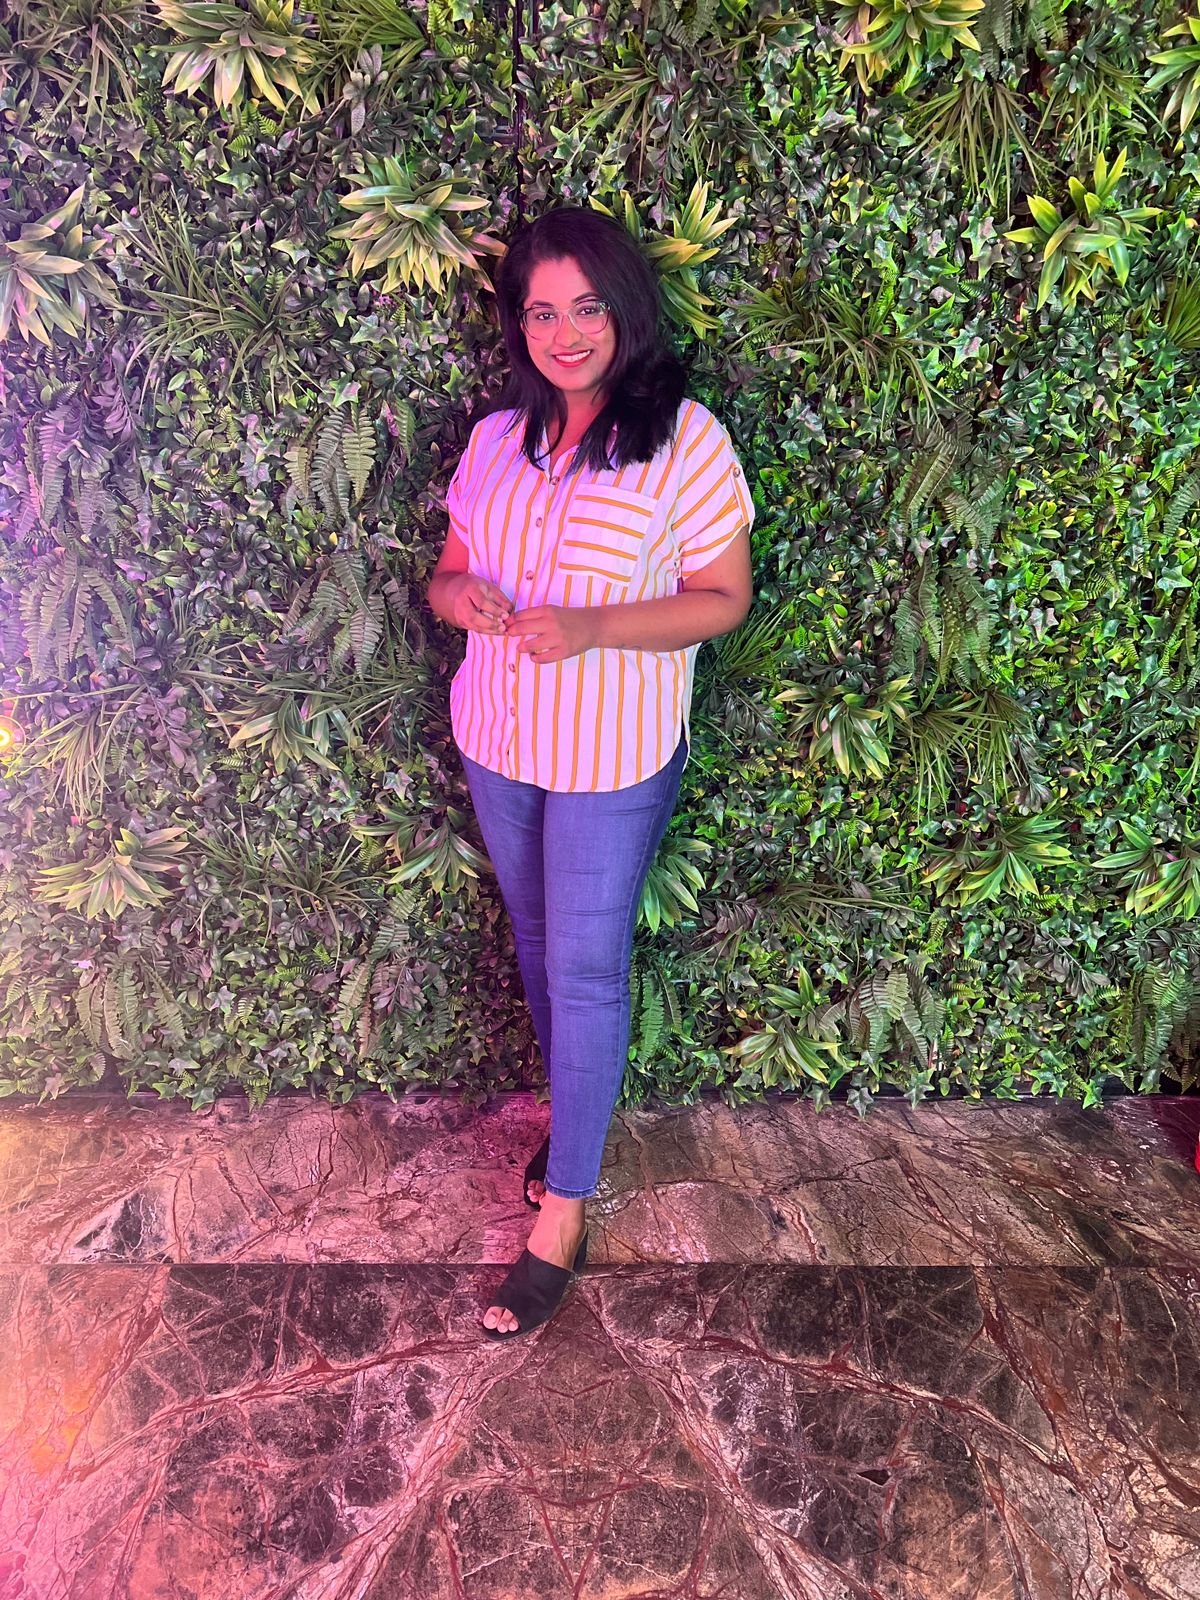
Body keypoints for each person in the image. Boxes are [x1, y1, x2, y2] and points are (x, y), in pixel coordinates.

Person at [426, 205, 755, 1340]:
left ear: (625, 311)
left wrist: (594, 626)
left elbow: (723, 599)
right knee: (535, 945)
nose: (565, 334)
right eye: (541, 313)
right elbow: (447, 575)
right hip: (499, 737)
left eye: (587, 308)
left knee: (585, 965)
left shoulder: (684, 441)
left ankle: (563, 1211)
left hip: (613, 749)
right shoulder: (495, 442)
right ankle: (572, 1132)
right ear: (519, 326)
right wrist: (463, 598)